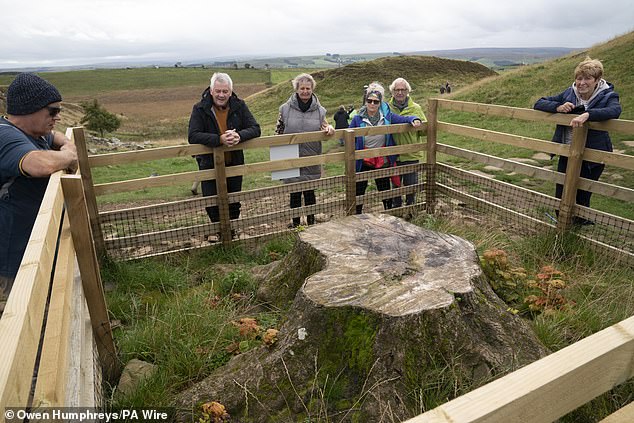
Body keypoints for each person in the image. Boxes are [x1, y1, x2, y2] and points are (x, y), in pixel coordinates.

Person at [0, 73, 78, 310]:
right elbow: (39, 165)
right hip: (11, 256)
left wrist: (65, 145)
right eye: (52, 111)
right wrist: (68, 156)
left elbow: (57, 137)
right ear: (28, 109)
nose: (58, 117)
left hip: (30, 247)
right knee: (16, 316)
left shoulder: (34, 133)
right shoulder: (5, 135)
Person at [533, 57, 621, 224]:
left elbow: (615, 110)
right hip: (567, 151)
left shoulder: (608, 95)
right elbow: (539, 103)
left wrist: (589, 114)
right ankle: (562, 227)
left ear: (597, 80)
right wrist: (558, 107)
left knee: (582, 194)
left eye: (587, 78)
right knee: (561, 191)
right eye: (579, 78)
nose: (581, 83)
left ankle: (578, 228)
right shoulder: (569, 93)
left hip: (592, 155)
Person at [188, 72, 261, 238]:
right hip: (209, 164)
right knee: (211, 202)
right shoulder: (200, 108)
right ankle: (219, 233)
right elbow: (193, 135)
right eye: (218, 91)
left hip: (234, 162)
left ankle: (232, 233)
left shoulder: (239, 106)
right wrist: (219, 139)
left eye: (225, 91)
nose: (221, 95)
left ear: (231, 91)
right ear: (211, 90)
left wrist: (239, 136)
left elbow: (255, 128)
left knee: (234, 200)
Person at [349, 82, 422, 214]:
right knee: (359, 189)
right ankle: (356, 216)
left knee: (384, 190)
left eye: (376, 102)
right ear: (365, 101)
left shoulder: (387, 116)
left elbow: (401, 119)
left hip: (381, 158)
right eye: (369, 101)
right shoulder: (357, 118)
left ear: (380, 102)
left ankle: (388, 213)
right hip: (362, 160)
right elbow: (347, 137)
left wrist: (414, 119)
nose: (372, 104)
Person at [275, 73, 334, 227]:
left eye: (308, 88)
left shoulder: (320, 111)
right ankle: (295, 224)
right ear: (297, 89)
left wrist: (329, 128)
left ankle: (311, 223)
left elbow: (325, 126)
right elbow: (278, 132)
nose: (305, 91)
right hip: (290, 155)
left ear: (312, 89)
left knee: (309, 191)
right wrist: (279, 161)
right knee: (294, 192)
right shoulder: (284, 109)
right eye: (302, 88)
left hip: (311, 154)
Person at [388, 78, 427, 208]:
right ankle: (397, 209)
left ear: (407, 91)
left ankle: (411, 209)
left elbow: (424, 131)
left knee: (411, 186)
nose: (400, 92)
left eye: (403, 89)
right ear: (392, 91)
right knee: (396, 185)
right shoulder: (386, 108)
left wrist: (418, 126)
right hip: (394, 154)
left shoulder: (416, 108)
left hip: (411, 154)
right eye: (397, 90)